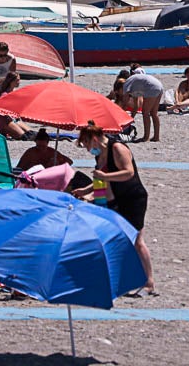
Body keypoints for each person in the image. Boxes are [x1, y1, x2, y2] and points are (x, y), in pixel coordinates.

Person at [75, 122, 155, 294]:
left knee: (137, 241)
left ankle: (149, 282)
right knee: (114, 238)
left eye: (87, 144)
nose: (88, 149)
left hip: (134, 198)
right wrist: (86, 190)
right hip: (117, 198)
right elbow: (101, 178)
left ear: (94, 139)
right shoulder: (100, 154)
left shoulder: (117, 148)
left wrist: (105, 175)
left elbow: (128, 172)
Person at [123, 70, 164, 143]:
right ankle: (156, 137)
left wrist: (121, 113)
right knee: (154, 113)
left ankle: (146, 137)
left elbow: (125, 101)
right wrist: (131, 118)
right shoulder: (135, 86)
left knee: (145, 112)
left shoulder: (126, 84)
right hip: (159, 85)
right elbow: (136, 106)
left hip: (152, 87)